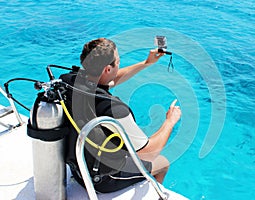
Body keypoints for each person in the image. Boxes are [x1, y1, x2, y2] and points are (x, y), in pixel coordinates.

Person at [61, 38, 181, 193]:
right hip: (101, 179)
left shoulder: (71, 81)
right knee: (162, 163)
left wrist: (147, 63)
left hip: (78, 166)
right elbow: (147, 153)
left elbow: (110, 80)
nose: (119, 64)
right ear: (106, 69)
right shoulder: (114, 109)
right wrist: (170, 121)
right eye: (118, 61)